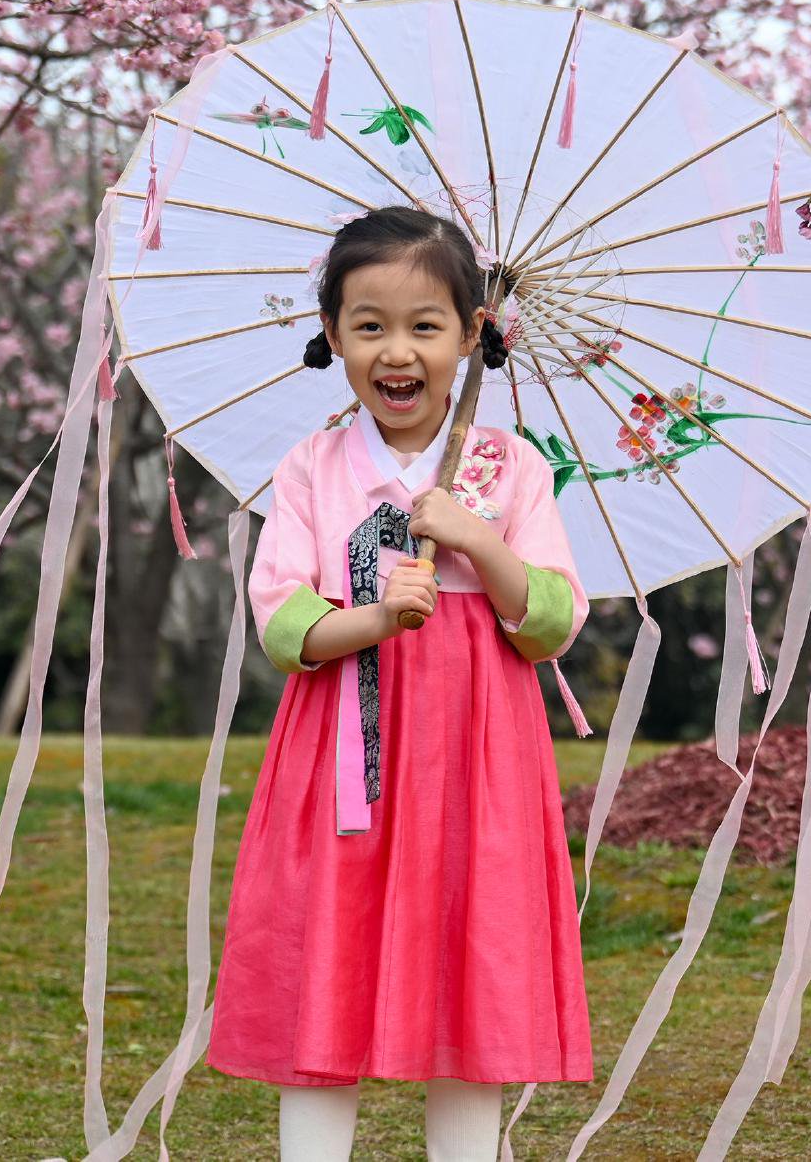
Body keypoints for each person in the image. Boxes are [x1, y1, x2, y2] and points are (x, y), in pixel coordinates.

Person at [203, 206, 594, 1160]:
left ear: (472, 334)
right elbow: (284, 621)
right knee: (324, 952)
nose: (397, 351)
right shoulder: (315, 468)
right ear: (332, 334)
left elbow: (550, 621)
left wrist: (476, 539)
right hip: (348, 746)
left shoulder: (513, 472)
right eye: (368, 324)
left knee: (472, 954)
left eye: (426, 325)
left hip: (476, 754)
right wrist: (375, 618)